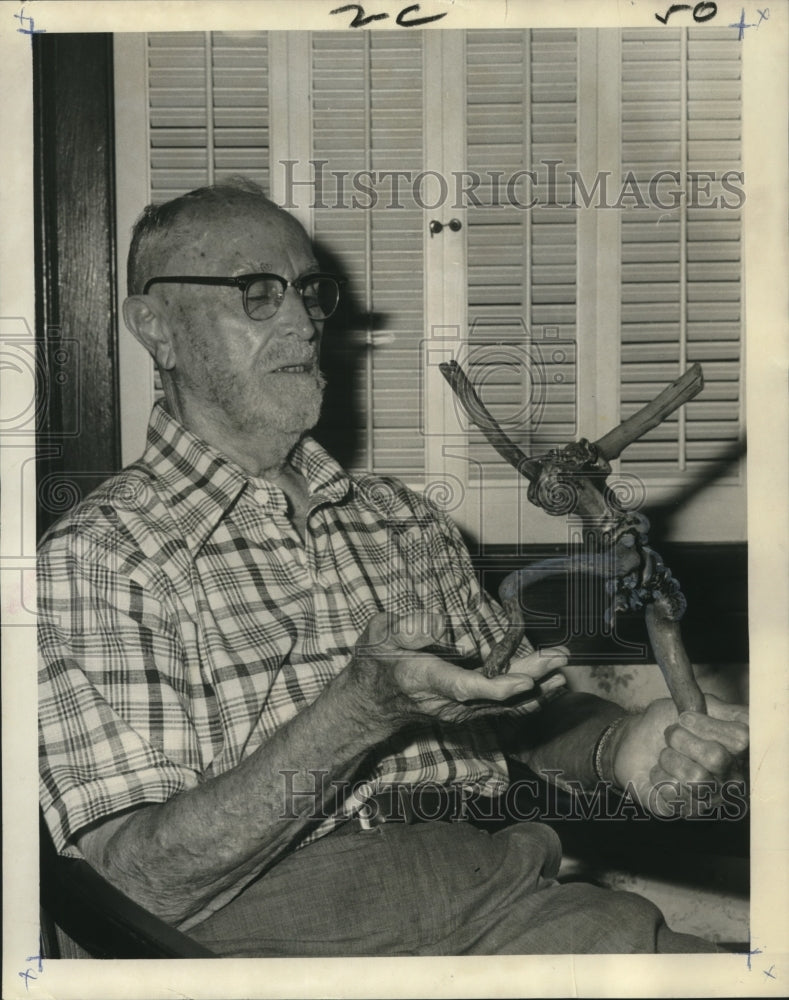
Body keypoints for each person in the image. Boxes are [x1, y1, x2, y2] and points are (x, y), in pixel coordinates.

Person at [38, 178, 749, 956]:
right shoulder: (101, 557)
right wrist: (359, 710)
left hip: (506, 893)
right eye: (257, 293)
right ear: (155, 328)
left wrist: (618, 748)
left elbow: (520, 720)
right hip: (274, 942)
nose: (304, 322)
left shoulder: (401, 519)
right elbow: (134, 884)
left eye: (310, 291)